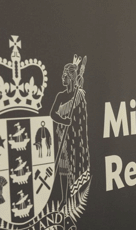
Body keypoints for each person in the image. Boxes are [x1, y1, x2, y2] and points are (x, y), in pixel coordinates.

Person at [50, 56, 90, 203]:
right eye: (62, 75)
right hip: (62, 137)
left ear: (71, 78)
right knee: (63, 170)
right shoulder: (60, 96)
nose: (62, 78)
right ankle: (63, 198)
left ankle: (75, 197)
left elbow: (81, 116)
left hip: (74, 139)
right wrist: (63, 121)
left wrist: (80, 67)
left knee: (74, 166)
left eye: (65, 76)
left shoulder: (78, 94)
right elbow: (52, 114)